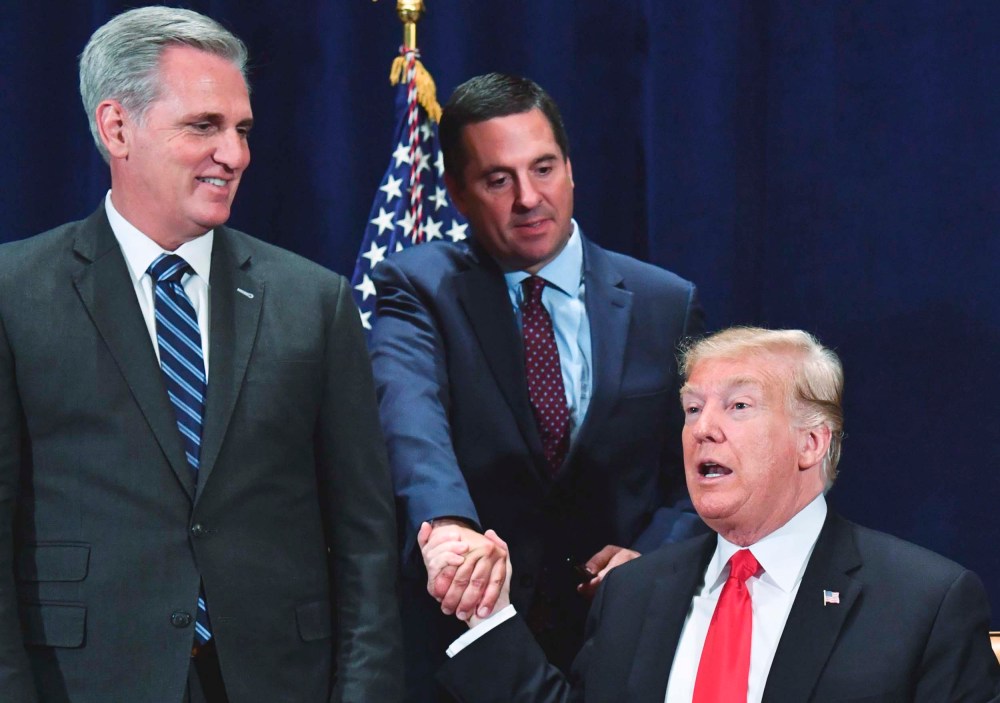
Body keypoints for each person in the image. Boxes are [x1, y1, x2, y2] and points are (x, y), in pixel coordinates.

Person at [0, 7, 402, 702]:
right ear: (116, 127)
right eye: (204, 127)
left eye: (241, 129)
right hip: (86, 681)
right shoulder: (14, 294)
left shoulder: (314, 302)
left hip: (276, 679)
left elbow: (366, 541)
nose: (235, 154)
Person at [426, 327, 1000, 702]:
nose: (704, 428)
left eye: (739, 406)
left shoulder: (924, 604)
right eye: (692, 408)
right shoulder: (634, 593)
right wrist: (487, 614)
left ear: (812, 443)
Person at [370, 72, 706, 701]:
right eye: (498, 180)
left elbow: (701, 468)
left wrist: (658, 558)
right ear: (458, 194)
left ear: (571, 170)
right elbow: (410, 421)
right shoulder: (418, 290)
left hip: (623, 643)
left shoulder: (665, 302)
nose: (529, 197)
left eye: (544, 168)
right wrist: (448, 527)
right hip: (469, 640)